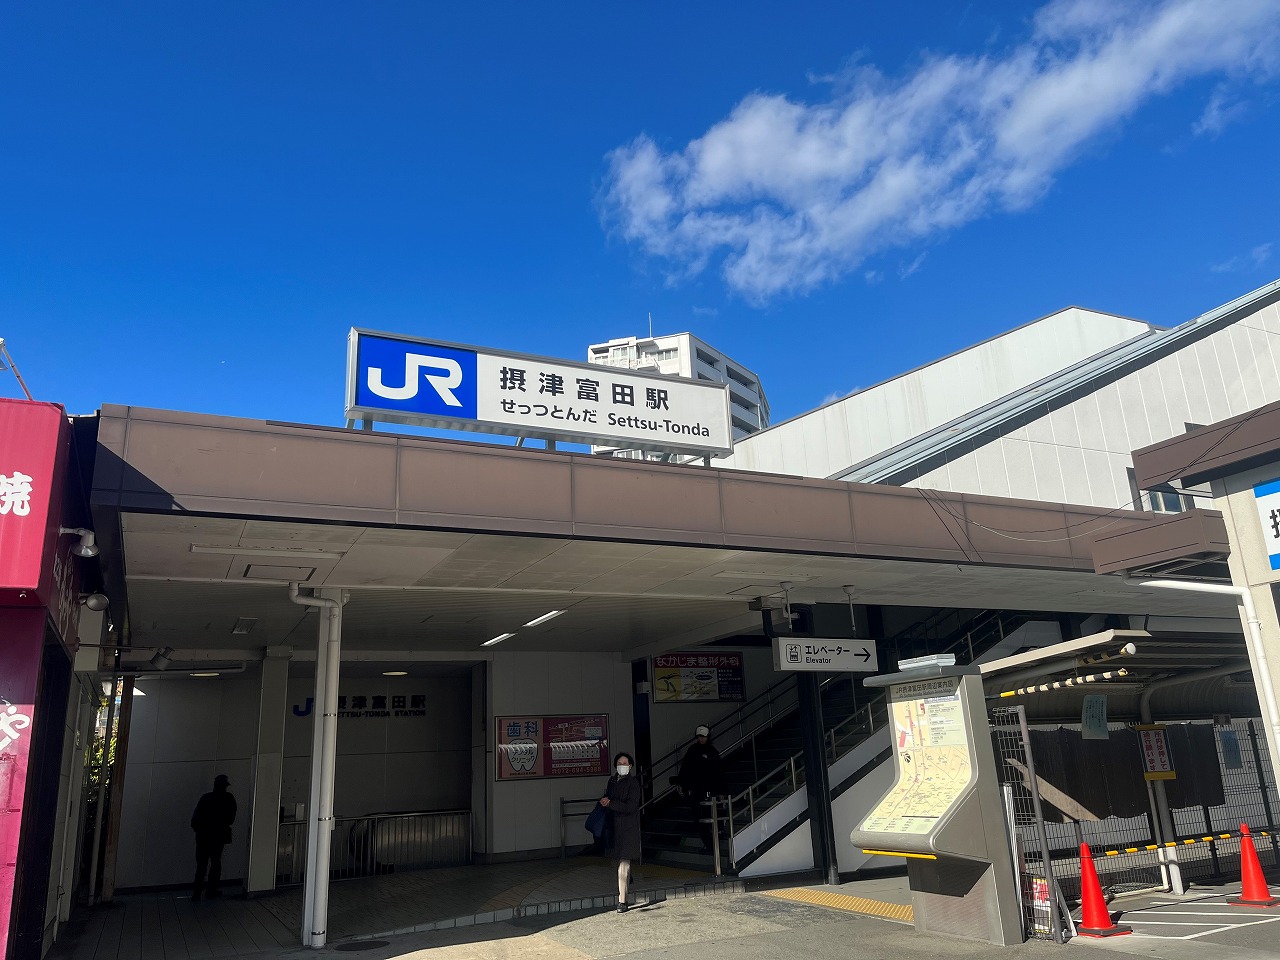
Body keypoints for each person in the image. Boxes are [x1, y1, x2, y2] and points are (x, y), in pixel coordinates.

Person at [598, 751, 641, 913]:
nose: (622, 766)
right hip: (614, 827)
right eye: (620, 763)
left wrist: (611, 803)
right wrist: (605, 800)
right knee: (620, 862)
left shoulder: (633, 783)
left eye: (625, 763)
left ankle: (622, 901)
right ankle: (627, 878)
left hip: (627, 828)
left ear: (630, 766)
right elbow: (609, 796)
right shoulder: (612, 780)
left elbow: (631, 806)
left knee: (623, 862)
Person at [676, 725, 724, 853]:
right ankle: (709, 844)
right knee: (699, 818)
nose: (702, 739)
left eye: (703, 737)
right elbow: (685, 768)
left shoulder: (712, 752)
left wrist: (720, 791)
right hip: (697, 789)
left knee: (708, 816)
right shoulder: (693, 750)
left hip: (709, 789)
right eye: (699, 737)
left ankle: (714, 839)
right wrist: (681, 784)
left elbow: (718, 772)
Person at [190, 773, 237, 900]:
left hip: (203, 836)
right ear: (225, 786)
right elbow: (230, 819)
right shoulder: (228, 799)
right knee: (215, 863)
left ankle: (196, 893)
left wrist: (200, 829)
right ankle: (211, 891)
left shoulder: (205, 798)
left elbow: (194, 820)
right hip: (218, 836)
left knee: (201, 865)